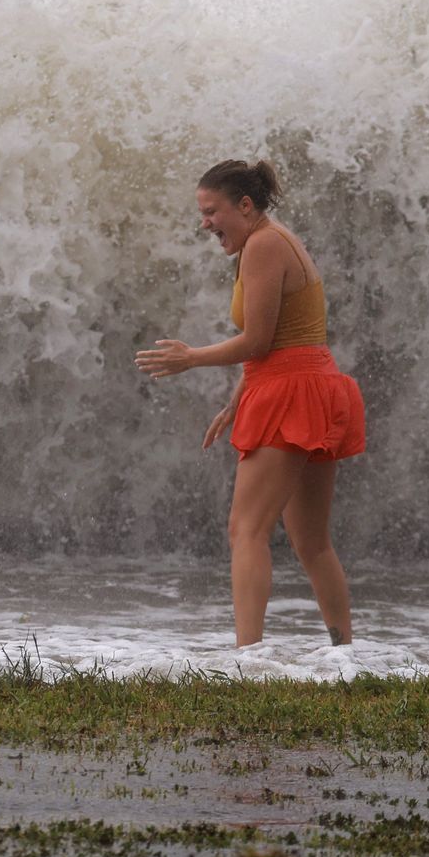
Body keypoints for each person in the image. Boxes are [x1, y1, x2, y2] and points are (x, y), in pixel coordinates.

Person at [135, 159, 366, 648]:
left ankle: (249, 659)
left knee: (246, 531)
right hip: (313, 385)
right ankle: (346, 655)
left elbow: (258, 341)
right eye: (201, 213)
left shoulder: (262, 245)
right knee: (311, 542)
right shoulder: (274, 238)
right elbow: (284, 341)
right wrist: (237, 400)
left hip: (290, 394)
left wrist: (191, 357)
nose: (205, 223)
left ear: (245, 205)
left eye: (211, 211)